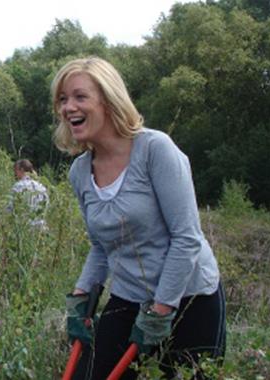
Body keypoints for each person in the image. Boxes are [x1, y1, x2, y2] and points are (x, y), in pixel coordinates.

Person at [53, 57, 226, 379]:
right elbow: (100, 246)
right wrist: (80, 296)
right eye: (62, 99)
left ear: (107, 99)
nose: (68, 107)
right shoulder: (79, 172)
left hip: (191, 298)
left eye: (79, 96)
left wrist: (161, 309)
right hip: (129, 295)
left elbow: (186, 238)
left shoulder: (155, 149)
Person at [7, 159, 49, 231]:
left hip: (24, 229)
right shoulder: (41, 187)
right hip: (41, 229)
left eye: (15, 170)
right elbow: (46, 205)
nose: (14, 173)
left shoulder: (18, 186)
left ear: (22, 170)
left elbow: (10, 208)